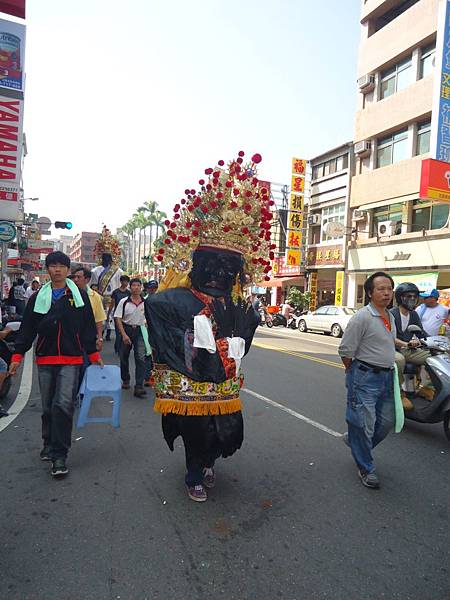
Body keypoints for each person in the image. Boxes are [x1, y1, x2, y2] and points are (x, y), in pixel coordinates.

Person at [145, 151, 267, 502]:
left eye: (228, 269)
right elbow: (163, 331)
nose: (219, 274)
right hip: (191, 382)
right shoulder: (171, 301)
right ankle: (194, 471)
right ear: (195, 263)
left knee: (224, 428)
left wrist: (243, 333)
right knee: (195, 427)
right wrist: (197, 343)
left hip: (224, 383)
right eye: (211, 265)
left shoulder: (236, 304)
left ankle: (208, 460)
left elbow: (242, 345)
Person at [9, 251, 102, 477]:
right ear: (47, 269)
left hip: (71, 358)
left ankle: (60, 455)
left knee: (63, 405)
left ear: (68, 270)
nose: (57, 269)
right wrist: (17, 356)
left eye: (62, 265)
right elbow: (28, 328)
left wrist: (92, 353)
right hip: (45, 358)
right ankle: (48, 442)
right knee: (48, 406)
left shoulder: (79, 296)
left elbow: (88, 325)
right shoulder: (38, 297)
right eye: (53, 265)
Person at [338, 271, 397, 490]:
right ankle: (365, 467)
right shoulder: (362, 317)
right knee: (363, 425)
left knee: (386, 422)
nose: (386, 292)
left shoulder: (389, 316)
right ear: (370, 292)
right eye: (381, 288)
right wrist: (353, 372)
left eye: (389, 288)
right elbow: (345, 350)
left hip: (387, 376)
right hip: (365, 376)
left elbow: (386, 341)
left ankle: (356, 443)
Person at [390, 282, 432, 405]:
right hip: (393, 349)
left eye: (414, 296)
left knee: (434, 356)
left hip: (408, 349)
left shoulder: (413, 314)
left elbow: (421, 332)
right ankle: (399, 393)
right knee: (399, 360)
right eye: (408, 296)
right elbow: (389, 337)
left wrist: (435, 340)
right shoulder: (392, 314)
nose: (412, 299)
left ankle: (427, 387)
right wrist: (406, 343)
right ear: (400, 298)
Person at [114, 278, 148, 398]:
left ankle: (139, 385)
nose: (136, 288)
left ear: (141, 287)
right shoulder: (124, 302)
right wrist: (123, 334)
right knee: (124, 357)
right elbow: (118, 318)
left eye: (138, 285)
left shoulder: (146, 302)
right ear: (130, 287)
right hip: (127, 329)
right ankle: (126, 379)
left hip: (140, 331)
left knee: (140, 358)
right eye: (133, 285)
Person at [72, 267, 106, 352]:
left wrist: (100, 338)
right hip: (71, 337)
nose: (75, 280)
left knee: (88, 362)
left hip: (88, 337)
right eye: (74, 277)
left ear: (87, 279)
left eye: (79, 277)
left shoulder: (95, 296)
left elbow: (99, 319)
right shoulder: (67, 294)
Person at [107, 275, 131, 350]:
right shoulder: (116, 292)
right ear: (121, 282)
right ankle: (118, 347)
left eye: (127, 281)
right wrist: (108, 314)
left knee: (125, 332)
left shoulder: (129, 292)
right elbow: (112, 304)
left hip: (126, 315)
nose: (126, 283)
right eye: (124, 281)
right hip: (117, 315)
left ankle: (121, 346)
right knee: (118, 332)